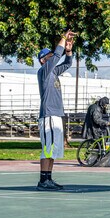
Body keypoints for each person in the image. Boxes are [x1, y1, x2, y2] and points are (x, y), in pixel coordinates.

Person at [36, 29, 75, 191]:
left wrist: (69, 50)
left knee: (53, 149)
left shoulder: (54, 72)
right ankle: (43, 180)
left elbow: (67, 63)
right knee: (47, 149)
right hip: (48, 115)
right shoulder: (44, 71)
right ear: (43, 60)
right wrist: (63, 38)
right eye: (50, 56)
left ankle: (48, 179)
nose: (53, 57)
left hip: (56, 115)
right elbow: (58, 56)